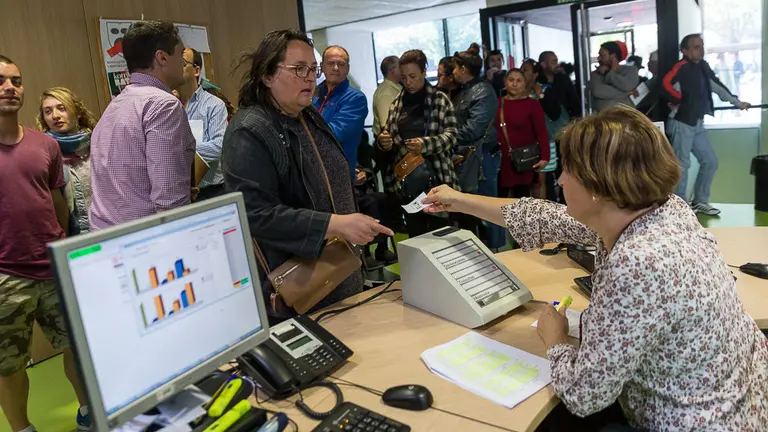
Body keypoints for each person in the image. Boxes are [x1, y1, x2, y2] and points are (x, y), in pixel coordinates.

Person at [422, 105, 768, 431]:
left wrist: (554, 339)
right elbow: (544, 217)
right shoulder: (664, 209)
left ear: (599, 186)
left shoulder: (637, 262)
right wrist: (459, 200)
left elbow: (585, 395)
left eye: (569, 172)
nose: (559, 182)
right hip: (741, 407)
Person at [223, 30, 393, 320]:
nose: (310, 77)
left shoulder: (304, 112)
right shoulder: (249, 131)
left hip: (339, 272)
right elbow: (256, 214)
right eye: (298, 69)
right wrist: (334, 224)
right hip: (301, 289)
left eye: (312, 69)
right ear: (267, 75)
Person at [0, 55, 91, 432]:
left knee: (78, 349)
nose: (9, 87)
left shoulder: (45, 146)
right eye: (1, 81)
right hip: (6, 276)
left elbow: (57, 205)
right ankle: (22, 428)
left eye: (16, 81)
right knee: (9, 365)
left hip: (53, 268)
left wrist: (60, 248)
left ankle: (90, 413)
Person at [89, 20, 195, 230]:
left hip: (104, 237)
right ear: (162, 57)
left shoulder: (115, 105)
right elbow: (169, 200)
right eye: (180, 54)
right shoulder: (164, 105)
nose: (184, 63)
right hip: (144, 242)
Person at [662, 34, 750, 216]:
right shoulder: (682, 67)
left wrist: (737, 102)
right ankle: (680, 209)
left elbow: (717, 86)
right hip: (681, 122)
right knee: (682, 165)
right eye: (695, 47)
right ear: (685, 51)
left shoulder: (702, 66)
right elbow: (665, 84)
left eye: (701, 46)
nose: (700, 50)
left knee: (710, 162)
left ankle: (700, 201)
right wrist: (678, 99)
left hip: (697, 123)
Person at [377, 49, 458, 238]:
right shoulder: (397, 103)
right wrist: (384, 142)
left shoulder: (439, 99)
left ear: (424, 72)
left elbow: (453, 135)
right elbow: (389, 136)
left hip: (437, 177)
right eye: (404, 77)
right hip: (408, 180)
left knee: (442, 235)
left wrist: (426, 144)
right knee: (416, 236)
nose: (408, 82)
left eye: (413, 76)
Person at [37, 87, 98, 235]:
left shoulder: (98, 142)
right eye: (48, 111)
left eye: (61, 108)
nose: (55, 116)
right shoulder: (42, 152)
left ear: (77, 111)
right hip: (69, 235)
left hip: (105, 227)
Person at [177, 48, 228, 201]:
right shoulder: (168, 106)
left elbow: (220, 145)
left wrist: (182, 151)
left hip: (211, 191)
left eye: (183, 62)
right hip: (181, 192)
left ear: (196, 70)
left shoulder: (213, 105)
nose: (177, 65)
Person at [313, 45, 368, 176]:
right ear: (322, 66)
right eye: (331, 63)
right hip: (312, 173)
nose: (336, 68)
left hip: (338, 175)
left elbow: (334, 134)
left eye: (341, 64)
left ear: (348, 68)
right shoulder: (312, 94)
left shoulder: (356, 98)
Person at [496, 69, 550, 199]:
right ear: (505, 82)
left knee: (522, 199)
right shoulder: (498, 103)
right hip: (501, 160)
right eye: (511, 80)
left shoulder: (532, 105)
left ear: (524, 84)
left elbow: (541, 132)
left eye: (518, 81)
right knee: (499, 200)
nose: (514, 84)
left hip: (524, 160)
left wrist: (545, 157)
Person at [589, 41, 639, 112]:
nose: (598, 58)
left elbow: (627, 85)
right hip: (605, 118)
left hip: (627, 116)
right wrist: (627, 93)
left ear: (613, 56)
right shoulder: (595, 74)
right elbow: (598, 91)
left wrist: (608, 73)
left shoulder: (630, 70)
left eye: (602, 55)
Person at [538, 51, 580, 119]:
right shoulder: (537, 83)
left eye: (556, 61)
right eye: (553, 62)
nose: (557, 65)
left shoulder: (563, 80)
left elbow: (575, 103)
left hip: (565, 122)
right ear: (543, 64)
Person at [372, 55, 401, 138]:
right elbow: (386, 125)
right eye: (401, 66)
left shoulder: (397, 86)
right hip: (388, 142)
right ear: (393, 71)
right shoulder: (385, 93)